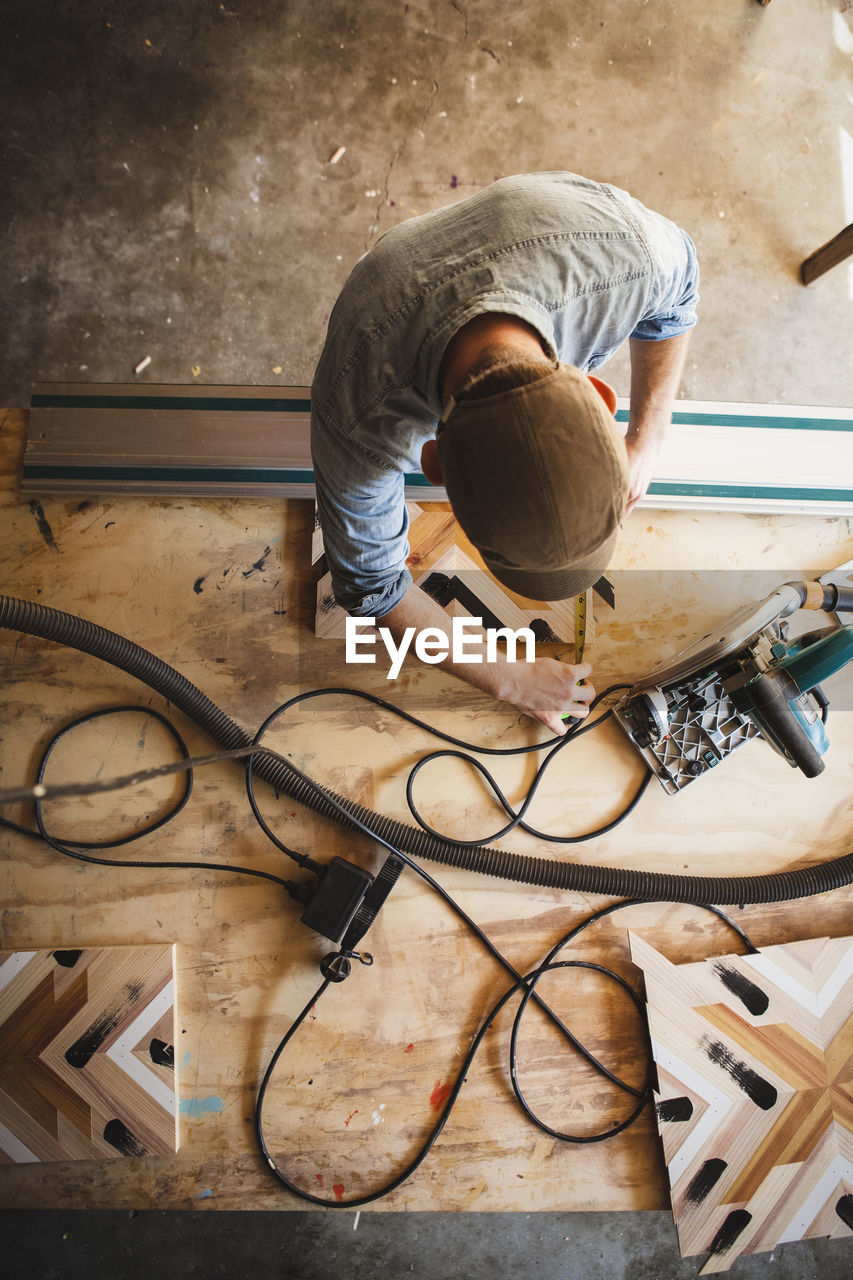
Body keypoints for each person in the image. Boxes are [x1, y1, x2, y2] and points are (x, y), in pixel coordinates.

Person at [311, 171, 698, 735]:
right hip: (390, 292)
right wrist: (508, 677)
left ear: (599, 395)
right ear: (431, 463)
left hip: (550, 228)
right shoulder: (357, 414)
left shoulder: (621, 254)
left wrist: (647, 437)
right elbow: (372, 589)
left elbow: (681, 285)